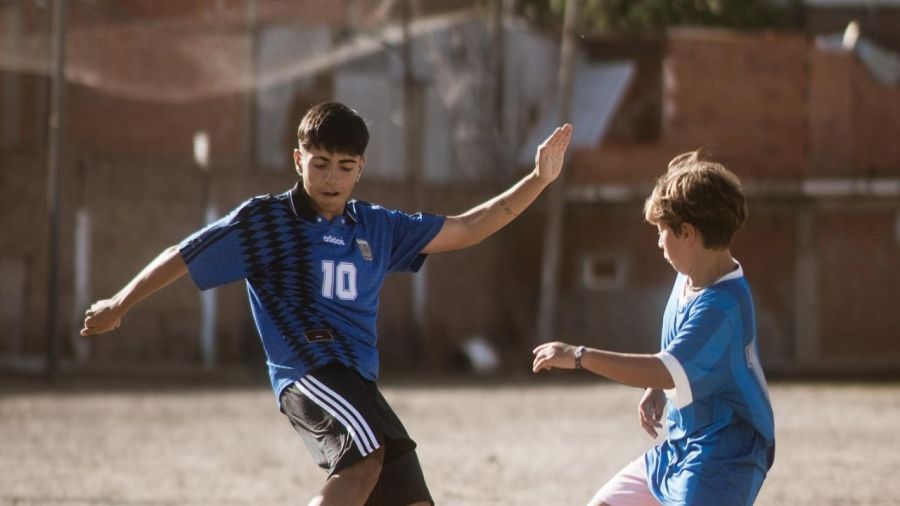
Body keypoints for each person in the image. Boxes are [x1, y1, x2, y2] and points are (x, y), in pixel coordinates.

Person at [81, 102, 573, 506]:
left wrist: (539, 180)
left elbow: (469, 226)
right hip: (310, 373)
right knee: (363, 463)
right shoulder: (266, 222)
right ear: (299, 160)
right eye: (319, 164)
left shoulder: (377, 226)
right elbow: (183, 255)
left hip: (356, 383)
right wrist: (120, 302)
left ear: (361, 168)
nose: (331, 178)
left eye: (344, 166)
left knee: (410, 499)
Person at [532, 151, 775, 506]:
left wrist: (579, 356)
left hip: (724, 455)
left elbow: (665, 368)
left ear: (688, 233)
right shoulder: (693, 274)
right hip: (681, 444)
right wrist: (657, 387)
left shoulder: (723, 307)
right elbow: (676, 360)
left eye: (662, 232)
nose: (659, 241)